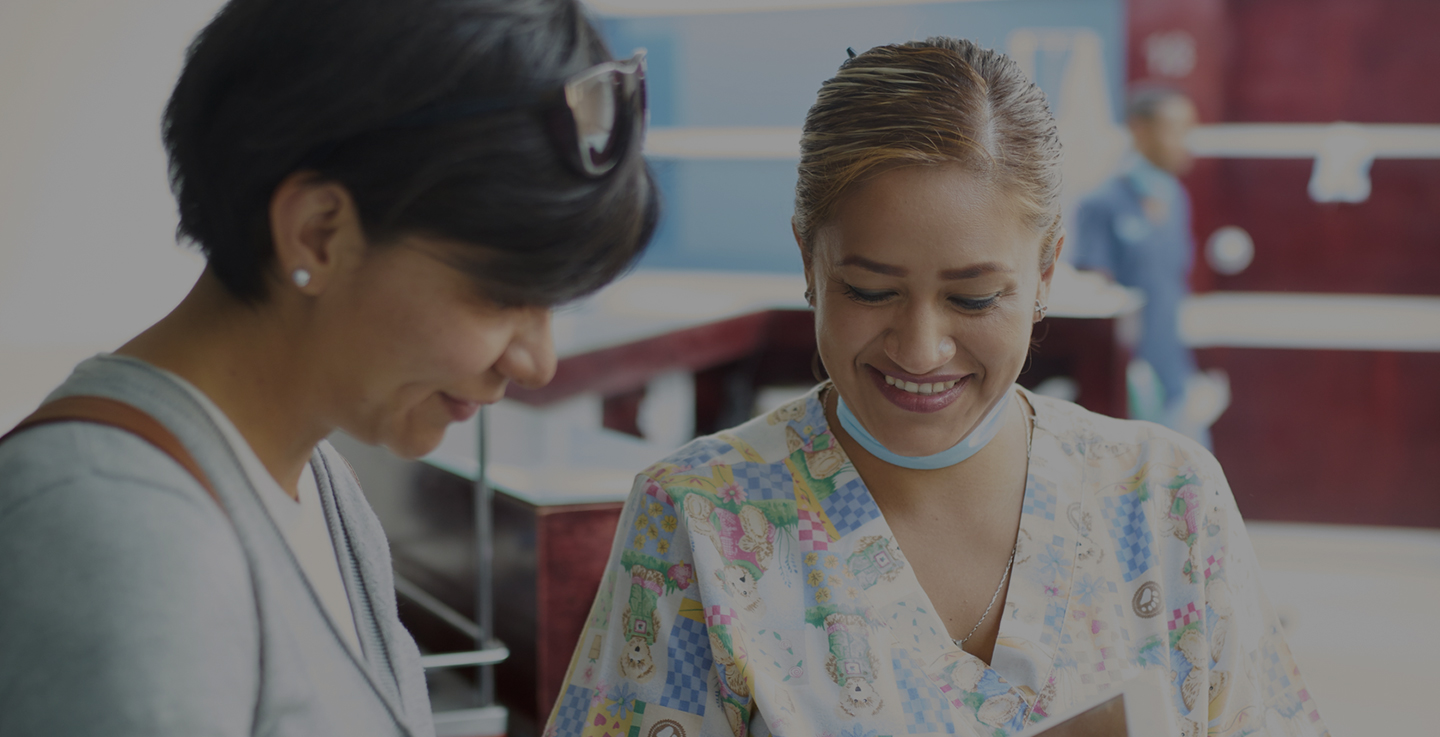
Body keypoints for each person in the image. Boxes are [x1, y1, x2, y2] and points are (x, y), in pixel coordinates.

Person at [547, 39, 1324, 737]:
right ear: (809, 263)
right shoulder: (701, 520)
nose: (921, 349)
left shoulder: (1167, 503)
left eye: (974, 297)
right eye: (870, 290)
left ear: (1047, 271)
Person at [0, 0, 657, 735]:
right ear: (317, 234)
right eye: (505, 294)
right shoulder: (120, 544)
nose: (538, 362)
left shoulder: (311, 476)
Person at [1072, 88, 1222, 445]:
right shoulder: (1103, 204)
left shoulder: (1176, 198)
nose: (1187, 143)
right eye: (1176, 130)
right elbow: (1094, 302)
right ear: (1140, 130)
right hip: (1128, 384)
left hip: (1173, 372)